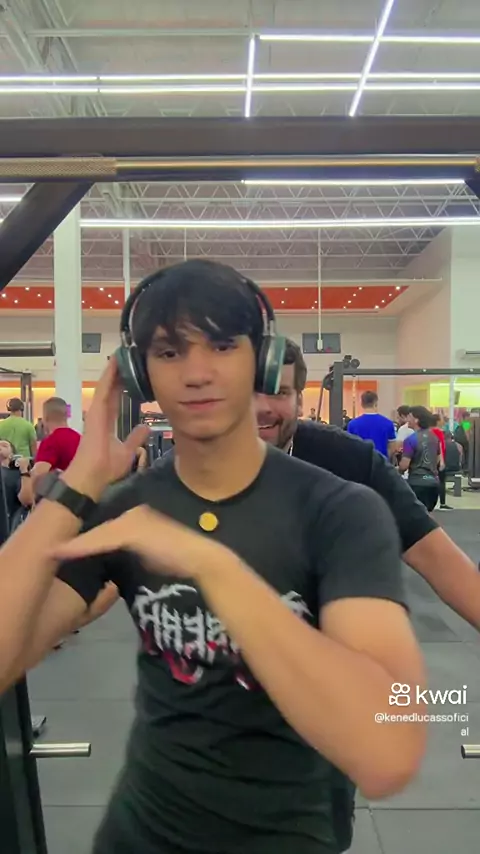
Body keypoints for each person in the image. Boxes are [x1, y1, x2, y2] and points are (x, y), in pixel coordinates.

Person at [0, 260, 426, 854]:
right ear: (140, 375)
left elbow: (388, 749)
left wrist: (213, 567)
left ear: (262, 361)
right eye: (169, 352)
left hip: (287, 837)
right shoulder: (128, 509)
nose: (197, 374)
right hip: (140, 833)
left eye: (223, 346)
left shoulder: (340, 511)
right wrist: (81, 482)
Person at [255, 339, 480, 850]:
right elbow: (105, 574)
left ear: (299, 397)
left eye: (279, 392)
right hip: (212, 711)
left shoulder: (347, 461)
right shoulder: (187, 467)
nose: (263, 407)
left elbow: (437, 557)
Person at [20, 397, 81, 505]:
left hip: (57, 505)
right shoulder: (81, 439)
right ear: (66, 416)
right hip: (80, 503)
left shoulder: (51, 442)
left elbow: (37, 480)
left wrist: (25, 472)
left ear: (45, 418)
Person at [399, 407, 441, 512]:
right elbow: (438, 460)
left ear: (416, 420)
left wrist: (397, 470)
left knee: (415, 515)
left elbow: (404, 466)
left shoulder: (410, 440)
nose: (407, 420)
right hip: (433, 483)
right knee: (428, 514)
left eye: (409, 417)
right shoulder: (434, 438)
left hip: (417, 483)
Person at [347, 390, 397, 458]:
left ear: (362, 404)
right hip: (381, 461)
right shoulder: (388, 423)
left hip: (360, 461)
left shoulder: (352, 424)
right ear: (376, 403)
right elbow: (392, 447)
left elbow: (349, 446)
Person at [430, 413, 453, 511]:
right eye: (442, 419)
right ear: (438, 421)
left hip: (435, 459)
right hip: (438, 459)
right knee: (441, 481)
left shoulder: (432, 431)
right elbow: (439, 447)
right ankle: (441, 503)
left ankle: (438, 502)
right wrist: (441, 461)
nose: (443, 421)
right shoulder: (437, 432)